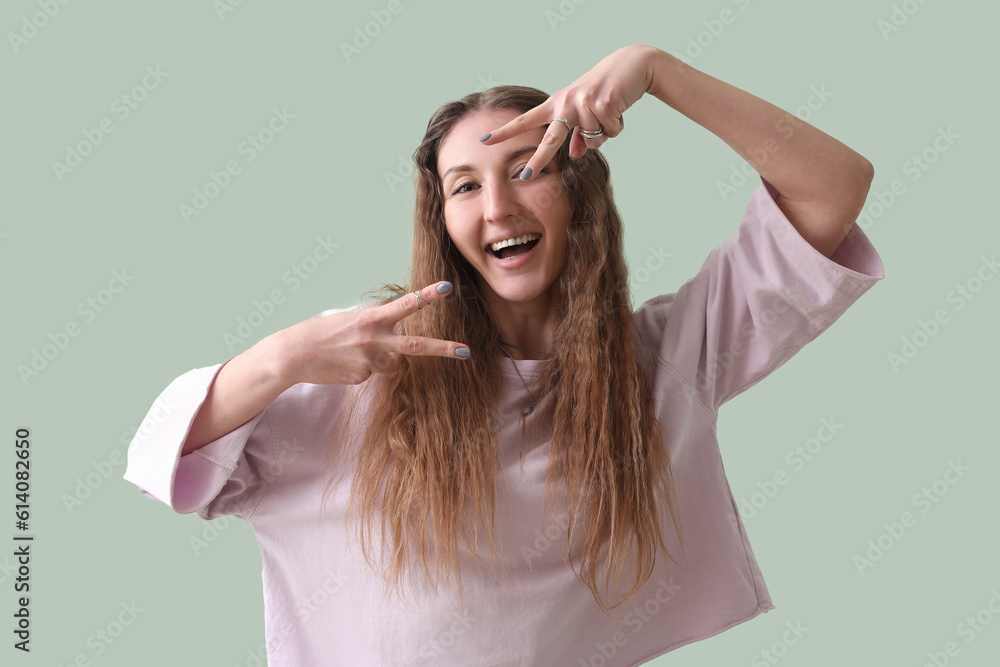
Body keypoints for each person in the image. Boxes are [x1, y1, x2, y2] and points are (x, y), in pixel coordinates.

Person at [124, 44, 885, 665]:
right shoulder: (375, 360)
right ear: (442, 218)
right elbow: (168, 461)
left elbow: (833, 189)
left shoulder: (664, 360)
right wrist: (280, 359)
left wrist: (658, 71)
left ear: (578, 191)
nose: (498, 207)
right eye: (465, 186)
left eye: (528, 169)